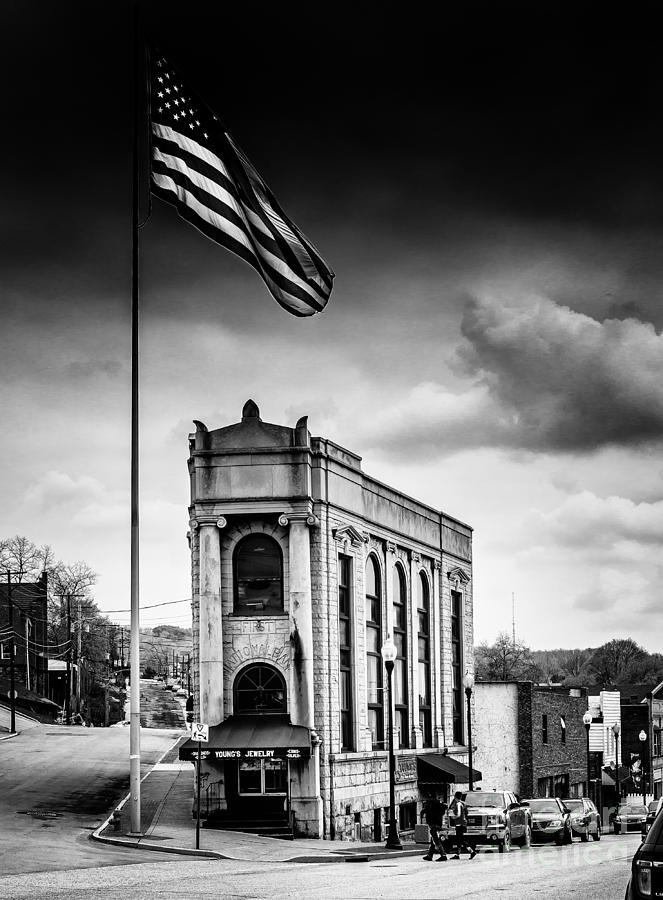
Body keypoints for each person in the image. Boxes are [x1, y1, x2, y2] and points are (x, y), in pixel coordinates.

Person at [448, 791, 476, 860]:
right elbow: (466, 813)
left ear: (455, 797)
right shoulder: (463, 804)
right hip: (463, 823)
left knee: (461, 839)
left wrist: (454, 817)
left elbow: (458, 814)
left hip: (459, 824)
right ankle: (458, 854)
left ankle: (471, 851)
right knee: (459, 839)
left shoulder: (458, 804)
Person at [421, 792, 448, 861]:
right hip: (438, 824)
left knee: (436, 840)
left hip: (433, 824)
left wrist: (423, 812)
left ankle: (443, 855)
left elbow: (425, 812)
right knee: (433, 840)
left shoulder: (430, 805)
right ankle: (430, 855)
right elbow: (444, 809)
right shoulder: (440, 804)